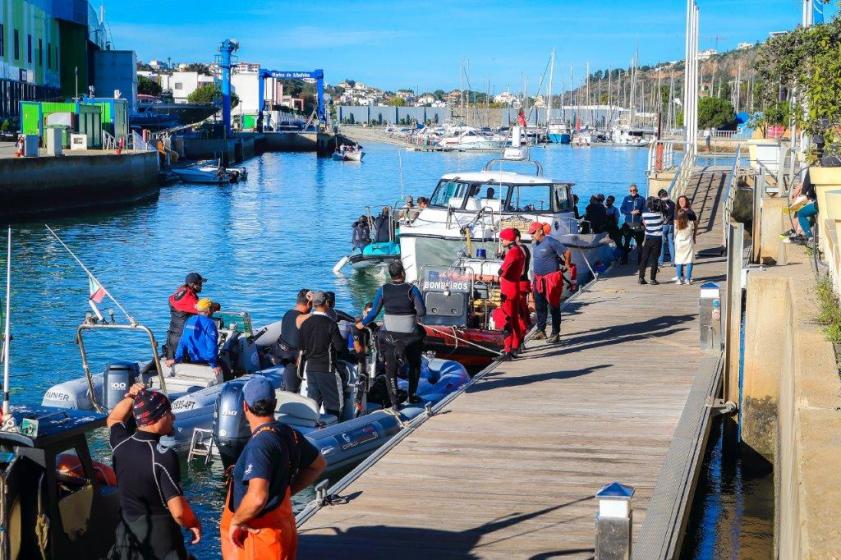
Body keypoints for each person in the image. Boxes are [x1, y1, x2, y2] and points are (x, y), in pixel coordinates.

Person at [221, 377, 326, 560]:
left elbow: (257, 496)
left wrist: (237, 521)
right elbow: (318, 465)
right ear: (275, 404)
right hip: (281, 531)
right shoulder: (288, 433)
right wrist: (286, 491)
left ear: (245, 407)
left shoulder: (260, 445)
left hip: (257, 540)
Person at [108, 385, 201, 560]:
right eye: (169, 413)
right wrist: (194, 523)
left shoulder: (120, 444)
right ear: (157, 417)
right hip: (161, 542)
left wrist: (132, 397)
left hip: (128, 538)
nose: (173, 418)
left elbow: (114, 418)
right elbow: (179, 512)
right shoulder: (163, 456)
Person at [356, 261, 426, 407]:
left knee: (391, 369)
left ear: (390, 274)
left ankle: (394, 403)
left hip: (390, 337)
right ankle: (412, 396)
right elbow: (422, 312)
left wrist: (362, 323)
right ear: (403, 273)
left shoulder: (383, 290)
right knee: (415, 364)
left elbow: (374, 312)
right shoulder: (411, 289)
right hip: (410, 335)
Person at [298, 291, 348, 418]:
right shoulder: (330, 324)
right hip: (327, 369)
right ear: (326, 303)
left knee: (313, 404)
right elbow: (339, 347)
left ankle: (312, 431)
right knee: (334, 406)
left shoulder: (305, 323)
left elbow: (302, 346)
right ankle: (334, 431)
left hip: (311, 369)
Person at [529, 222, 569, 343]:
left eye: (533, 232)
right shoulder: (534, 244)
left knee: (553, 306)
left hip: (551, 279)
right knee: (540, 306)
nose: (531, 235)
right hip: (538, 279)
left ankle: (555, 333)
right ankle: (541, 330)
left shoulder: (551, 241)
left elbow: (567, 252)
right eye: (530, 233)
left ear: (540, 231)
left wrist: (567, 264)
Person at [167, 297, 222, 377]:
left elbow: (183, 341)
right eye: (212, 308)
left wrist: (177, 359)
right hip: (207, 362)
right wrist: (214, 365)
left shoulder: (190, 320)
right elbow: (211, 346)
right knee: (227, 365)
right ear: (209, 310)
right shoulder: (209, 323)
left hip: (193, 360)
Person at [498, 228, 526, 359]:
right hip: (515, 287)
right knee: (514, 320)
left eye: (502, 239)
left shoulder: (512, 252)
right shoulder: (519, 250)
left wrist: (500, 271)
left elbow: (503, 271)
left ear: (509, 240)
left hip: (508, 290)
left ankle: (508, 350)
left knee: (507, 321)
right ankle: (516, 347)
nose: (501, 241)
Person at [277, 289, 312, 393]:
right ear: (309, 303)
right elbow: (322, 315)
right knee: (292, 392)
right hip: (296, 364)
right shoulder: (302, 317)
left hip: (286, 359)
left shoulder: (288, 314)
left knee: (287, 388)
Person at [165, 272, 206, 359]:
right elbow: (202, 309)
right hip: (181, 338)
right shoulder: (188, 298)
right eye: (200, 283)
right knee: (184, 364)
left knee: (172, 362)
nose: (202, 285)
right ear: (192, 284)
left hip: (172, 336)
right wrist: (214, 305)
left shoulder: (179, 294)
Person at [639, 197, 665, 285]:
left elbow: (644, 224)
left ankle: (641, 277)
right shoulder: (660, 215)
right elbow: (663, 220)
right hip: (657, 239)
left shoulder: (644, 215)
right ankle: (652, 279)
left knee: (644, 258)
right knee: (654, 259)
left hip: (648, 238)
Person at [514, 229, 532, 351]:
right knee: (521, 312)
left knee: (518, 314)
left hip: (519, 284)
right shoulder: (523, 248)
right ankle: (520, 342)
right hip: (522, 284)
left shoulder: (520, 249)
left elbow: (521, 270)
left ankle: (519, 343)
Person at [620, 184, 646, 264]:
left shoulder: (641, 199)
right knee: (626, 242)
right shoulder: (626, 198)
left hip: (638, 224)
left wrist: (639, 212)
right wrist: (630, 212)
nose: (632, 192)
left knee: (639, 243)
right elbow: (622, 209)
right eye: (631, 190)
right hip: (628, 225)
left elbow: (645, 210)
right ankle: (624, 260)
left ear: (637, 190)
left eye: (634, 190)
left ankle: (640, 261)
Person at [674, 208, 696, 285]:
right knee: (689, 261)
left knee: (679, 261)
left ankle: (679, 279)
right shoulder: (690, 223)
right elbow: (692, 231)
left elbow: (675, 234)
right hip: (688, 243)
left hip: (679, 243)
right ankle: (688, 279)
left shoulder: (677, 224)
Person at [658, 189, 676, 267]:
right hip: (671, 224)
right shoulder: (672, 203)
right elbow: (672, 214)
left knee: (661, 243)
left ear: (660, 196)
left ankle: (660, 261)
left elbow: (660, 212)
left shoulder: (661, 203)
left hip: (663, 225)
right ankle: (673, 261)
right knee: (671, 243)